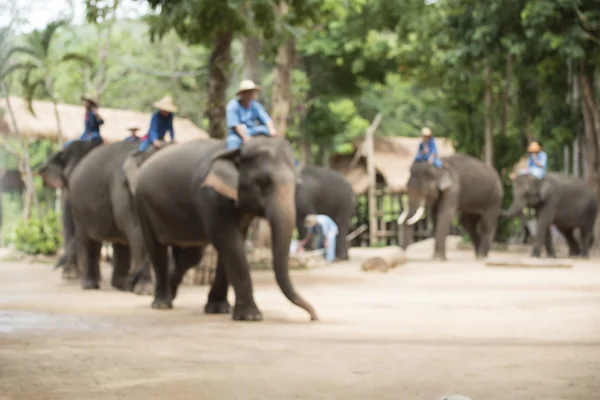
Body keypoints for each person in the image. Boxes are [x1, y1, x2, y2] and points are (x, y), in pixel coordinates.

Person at [225, 80, 277, 150]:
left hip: (253, 130)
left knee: (266, 131)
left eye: (252, 92)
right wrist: (245, 137)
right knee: (232, 142)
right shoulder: (233, 106)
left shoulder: (255, 105)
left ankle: (294, 161)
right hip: (238, 134)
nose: (251, 94)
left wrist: (271, 129)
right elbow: (235, 125)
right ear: (242, 94)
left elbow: (266, 118)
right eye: (248, 92)